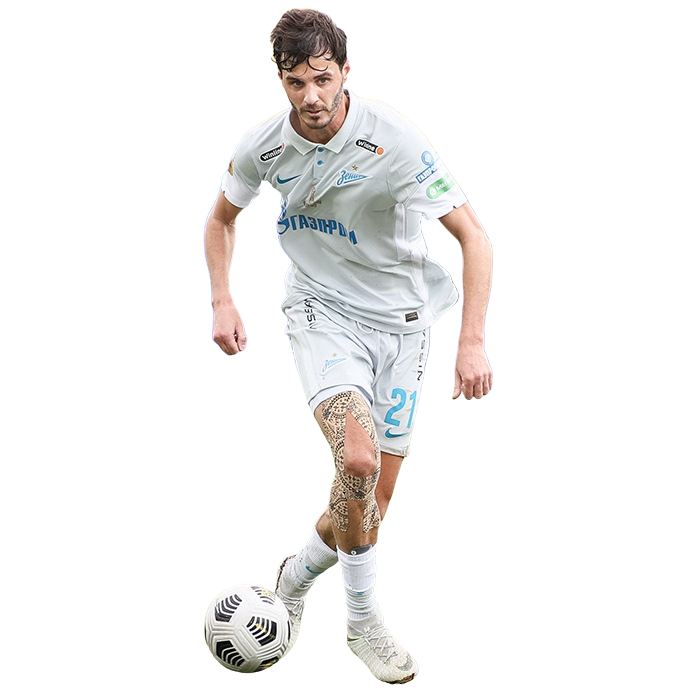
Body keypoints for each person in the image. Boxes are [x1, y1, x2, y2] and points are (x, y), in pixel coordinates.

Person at [204, 7, 493, 684]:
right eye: (295, 82)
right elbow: (221, 220)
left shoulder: (394, 138)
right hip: (321, 313)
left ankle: (297, 574)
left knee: (368, 504)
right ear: (279, 79)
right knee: (356, 461)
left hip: (404, 326)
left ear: (345, 72)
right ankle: (363, 619)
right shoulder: (262, 146)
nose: (310, 96)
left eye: (322, 79)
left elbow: (474, 239)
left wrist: (471, 343)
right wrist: (223, 299)